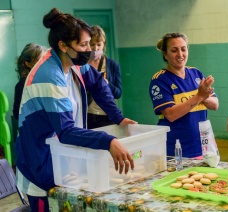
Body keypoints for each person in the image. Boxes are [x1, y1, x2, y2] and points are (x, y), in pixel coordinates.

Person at [15, 8, 137, 211]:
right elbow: (66, 131)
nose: (89, 50)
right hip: (40, 161)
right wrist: (109, 141)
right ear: (63, 45)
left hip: (64, 160)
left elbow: (98, 84)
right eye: (83, 45)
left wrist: (118, 118)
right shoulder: (48, 75)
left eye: (90, 43)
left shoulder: (74, 62)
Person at [149, 32, 219, 159]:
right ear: (165, 54)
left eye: (183, 49)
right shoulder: (160, 80)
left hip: (203, 147)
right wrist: (199, 96)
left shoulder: (196, 73)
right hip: (176, 150)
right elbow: (171, 114)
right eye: (174, 50)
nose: (180, 55)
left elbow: (215, 105)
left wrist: (204, 97)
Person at [87, 25, 122, 129]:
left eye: (99, 44)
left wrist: (107, 84)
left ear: (104, 44)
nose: (95, 48)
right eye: (92, 44)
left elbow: (118, 93)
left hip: (107, 115)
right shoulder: (82, 65)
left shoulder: (112, 65)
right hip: (87, 115)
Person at [13, 43, 45, 120]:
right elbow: (17, 113)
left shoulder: (45, 79)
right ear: (28, 64)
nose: (43, 63)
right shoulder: (23, 84)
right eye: (38, 60)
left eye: (44, 59)